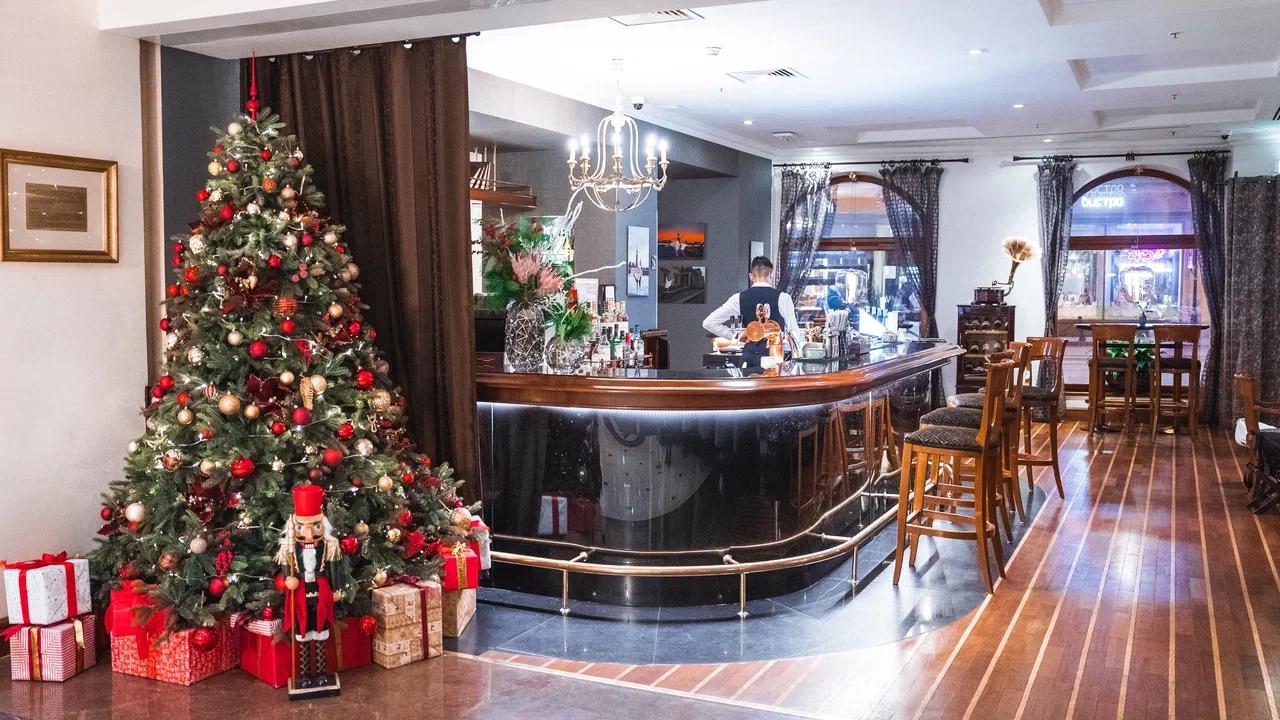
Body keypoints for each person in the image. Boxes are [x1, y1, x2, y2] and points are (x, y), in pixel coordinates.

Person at [703, 256, 805, 364]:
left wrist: (736, 336)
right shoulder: (784, 298)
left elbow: (708, 323)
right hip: (776, 356)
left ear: (751, 276)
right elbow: (794, 332)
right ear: (771, 275)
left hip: (750, 357)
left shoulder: (738, 298)